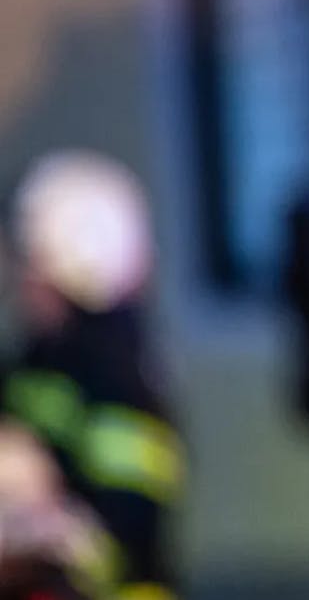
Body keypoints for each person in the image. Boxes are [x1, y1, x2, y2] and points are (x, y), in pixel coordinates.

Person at [1, 150, 183, 600]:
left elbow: (127, 526)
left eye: (32, 258)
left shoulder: (114, 377)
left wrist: (42, 534)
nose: (22, 278)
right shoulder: (41, 361)